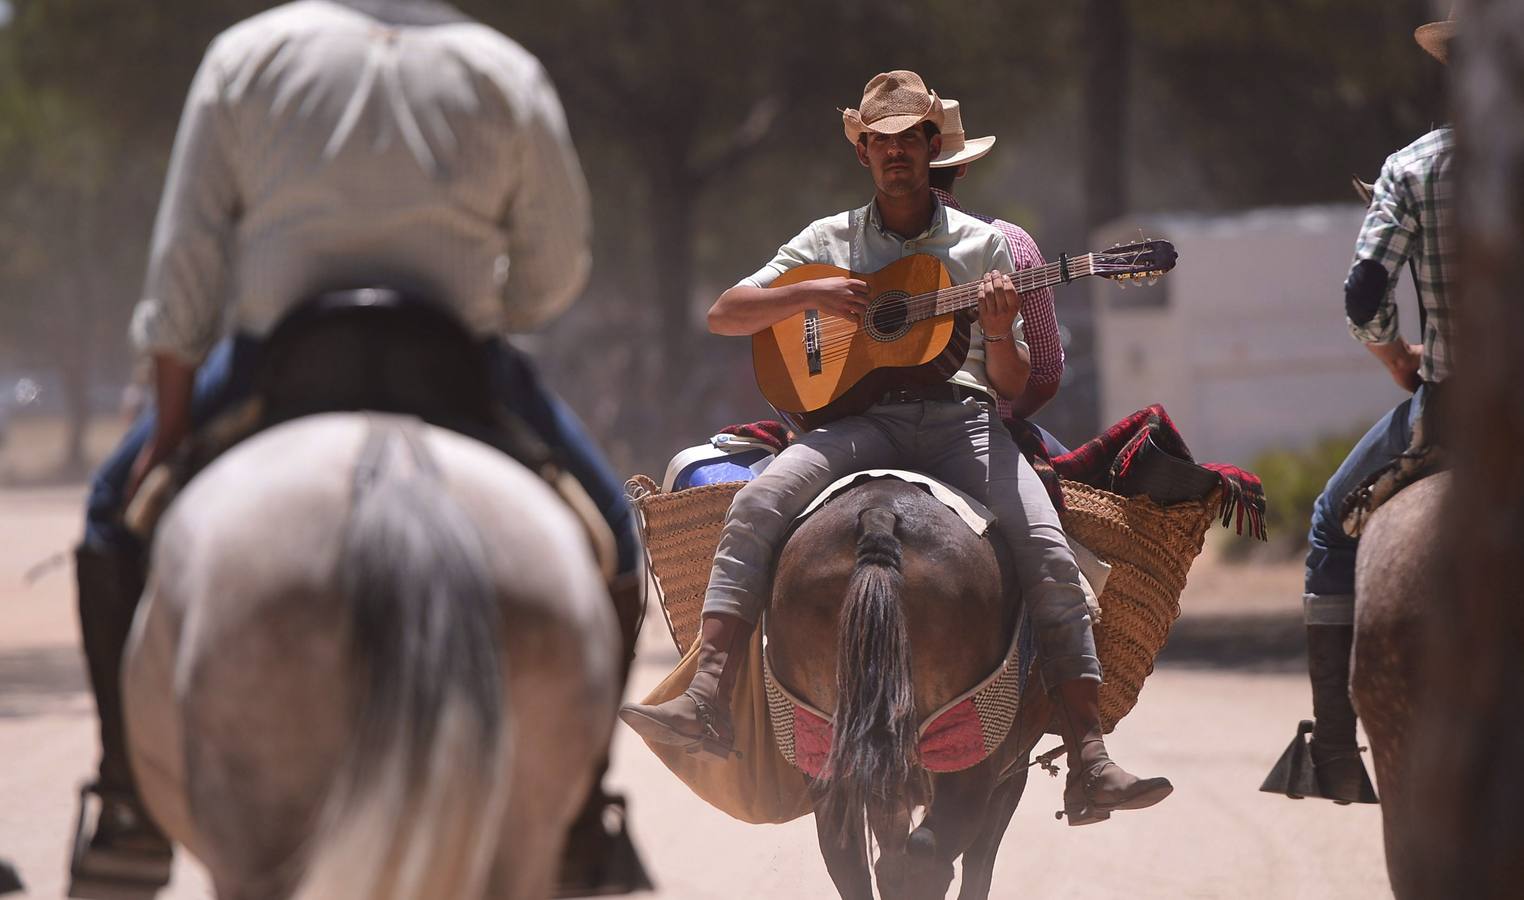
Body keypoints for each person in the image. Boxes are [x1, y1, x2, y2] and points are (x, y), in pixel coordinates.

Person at [70, 0, 642, 891]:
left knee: (111, 515)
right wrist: (498, 300)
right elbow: (555, 268)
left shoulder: (247, 54)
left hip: (278, 356)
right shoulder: (504, 70)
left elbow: (185, 264)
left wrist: (170, 426)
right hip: (457, 356)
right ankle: (584, 817)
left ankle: (128, 804)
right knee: (616, 532)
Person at [619, 70, 1170, 825]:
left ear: (931, 146)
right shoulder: (828, 239)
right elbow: (725, 313)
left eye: (909, 138)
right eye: (880, 141)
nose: (895, 153)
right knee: (757, 503)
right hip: (859, 424)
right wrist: (809, 294)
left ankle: (1089, 759)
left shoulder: (983, 245)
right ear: (864, 153)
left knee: (1047, 548)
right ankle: (706, 697)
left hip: (962, 424)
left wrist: (998, 330)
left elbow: (1013, 381)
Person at [1297, 15, 1454, 803]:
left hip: (1457, 408)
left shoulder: (1415, 166)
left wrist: (1394, 354)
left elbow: (1364, 292)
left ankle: (1332, 747)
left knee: (1331, 522)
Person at [927, 98, 1069, 454]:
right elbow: (1045, 376)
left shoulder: (854, 243)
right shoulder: (1014, 242)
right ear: (962, 166)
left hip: (870, 432)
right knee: (1077, 482)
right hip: (981, 438)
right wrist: (1002, 415)